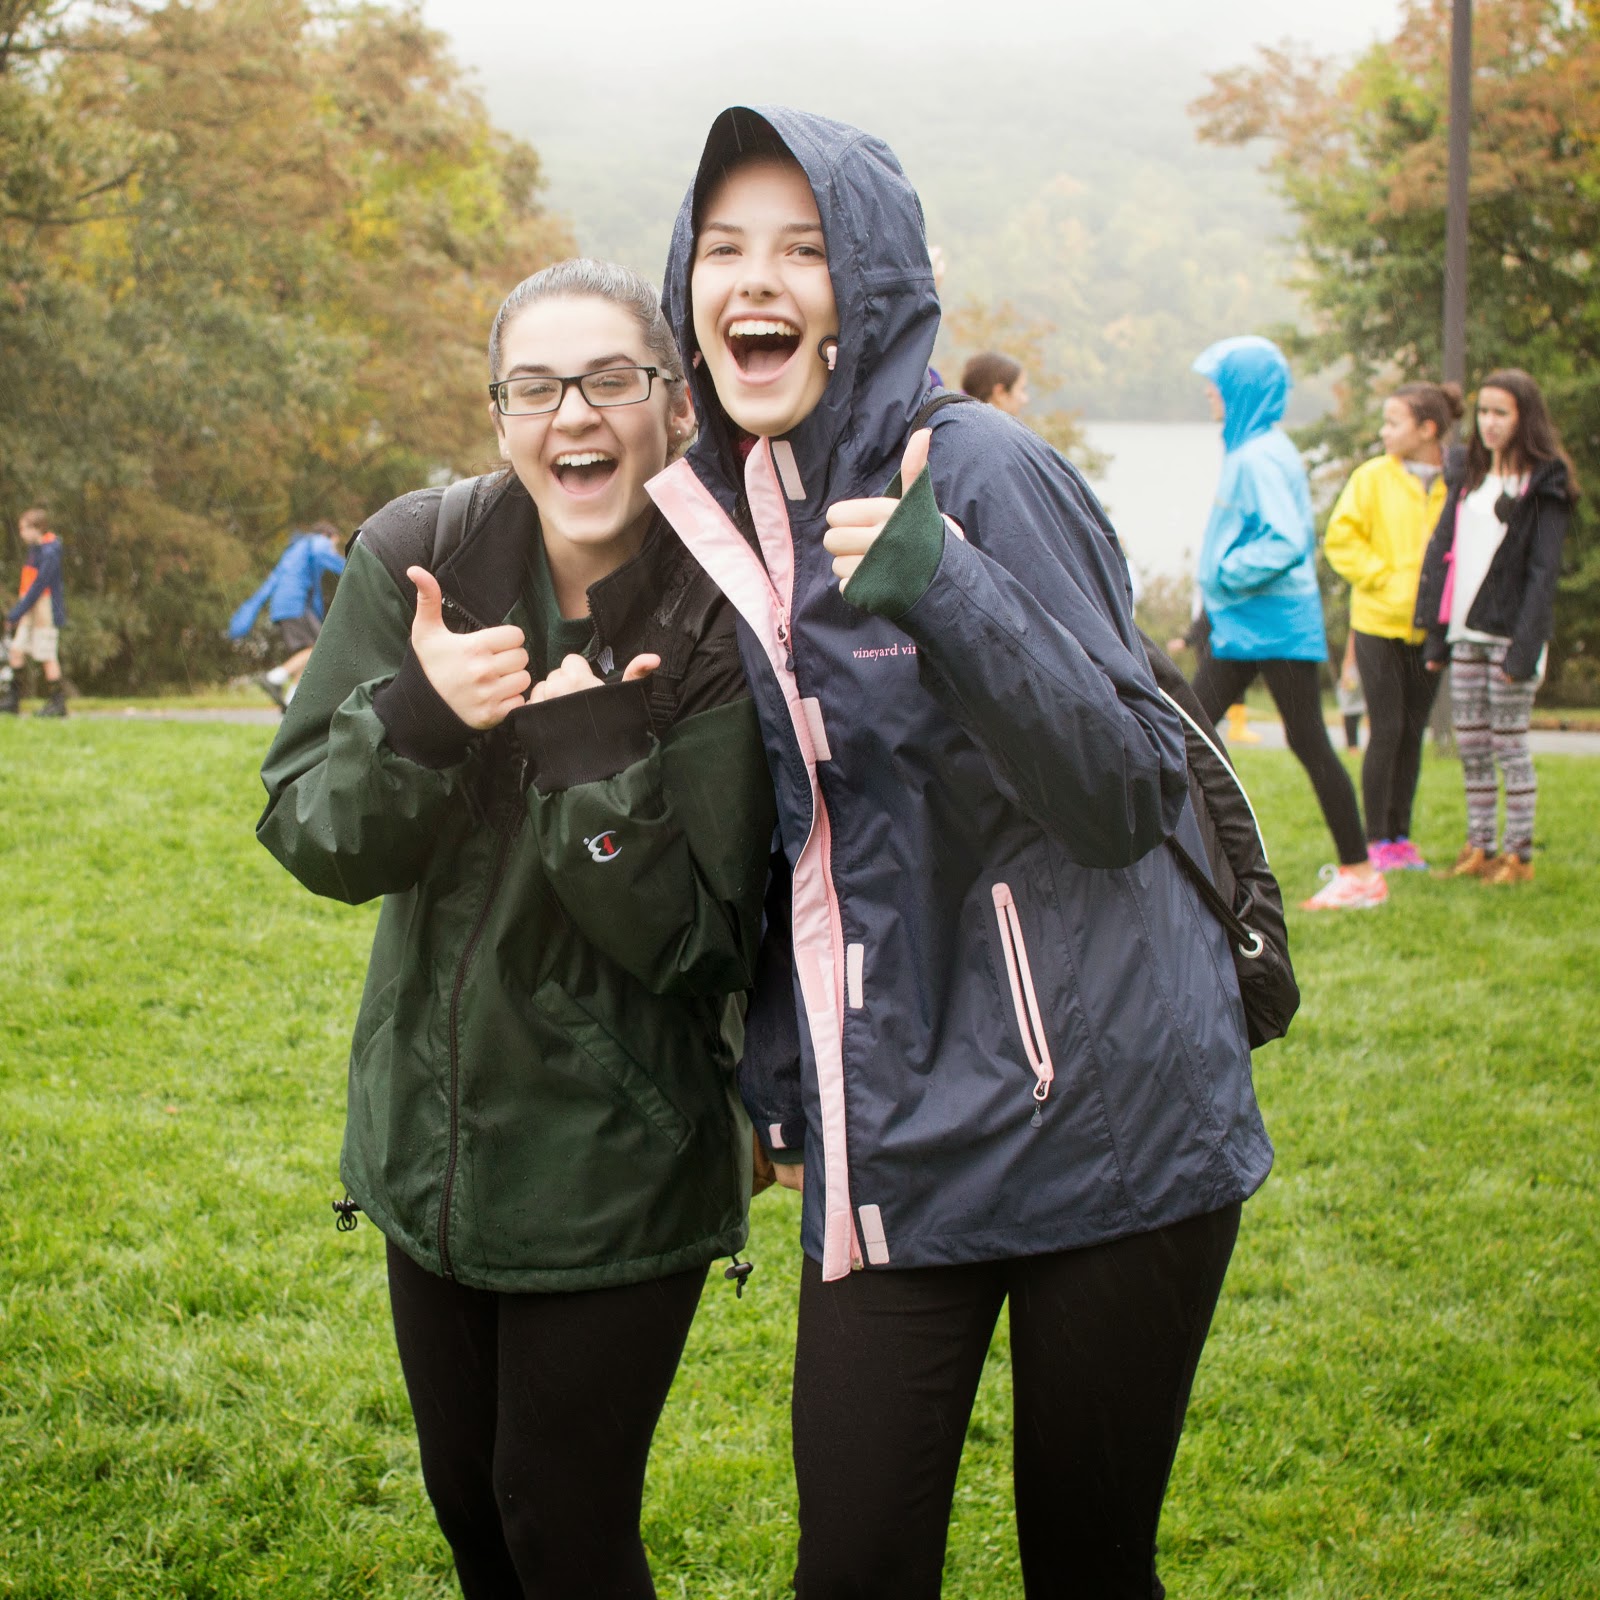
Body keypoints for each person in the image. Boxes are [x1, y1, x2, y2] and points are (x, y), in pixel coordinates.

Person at [647, 106, 1272, 1600]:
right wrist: (784, 1079)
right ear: (687, 288)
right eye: (723, 249)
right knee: (854, 1564)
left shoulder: (979, 465)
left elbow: (1124, 791)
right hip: (896, 1132)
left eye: (803, 249)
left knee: (1087, 1567)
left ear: (866, 287)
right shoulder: (733, 508)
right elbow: (808, 831)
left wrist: (944, 585)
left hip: (1110, 1116)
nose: (756, 280)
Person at [256, 258, 776, 1598]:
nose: (573, 415)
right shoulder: (418, 553)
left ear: (677, 402)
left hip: (617, 1154)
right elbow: (313, 833)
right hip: (426, 1138)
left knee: (559, 1523)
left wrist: (588, 759)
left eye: (610, 380)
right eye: (535, 388)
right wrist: (419, 718)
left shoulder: (719, 604)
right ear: (499, 416)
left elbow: (711, 941)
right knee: (471, 1513)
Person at [1190, 336, 1384, 911]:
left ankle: (1361, 875)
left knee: (1289, 739)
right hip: (1247, 622)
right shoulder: (1253, 450)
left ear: (1242, 390)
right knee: (1185, 729)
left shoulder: (1259, 457)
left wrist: (1222, 573)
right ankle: (1188, 862)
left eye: (1217, 384)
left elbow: (1286, 541)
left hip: (1271, 623)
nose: (1209, 394)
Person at [1412, 368, 1577, 884]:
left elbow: (1543, 573)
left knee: (1509, 745)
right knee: (1473, 746)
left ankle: (1518, 856)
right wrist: (1435, 634)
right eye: (1483, 411)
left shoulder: (1544, 484)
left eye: (1501, 412)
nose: (1489, 422)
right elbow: (1444, 552)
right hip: (1465, 634)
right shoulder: (1468, 476)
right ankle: (1479, 847)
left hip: (1511, 638)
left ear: (1524, 417)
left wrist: (1523, 650)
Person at [1324, 382, 1462, 870]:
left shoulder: (1457, 482)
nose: (1384, 432)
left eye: (1393, 422)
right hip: (1378, 623)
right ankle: (1376, 840)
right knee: (1387, 728)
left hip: (1432, 628)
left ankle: (1401, 837)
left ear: (1426, 429)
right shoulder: (1371, 478)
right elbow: (1340, 540)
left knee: (1413, 731)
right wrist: (1383, 578)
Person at [228, 521, 347, 707]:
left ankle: (292, 702)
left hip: (283, 607)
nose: (332, 549)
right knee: (319, 648)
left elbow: (270, 584)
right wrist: (353, 568)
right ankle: (274, 678)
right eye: (334, 544)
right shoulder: (317, 541)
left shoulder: (294, 551)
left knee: (307, 653)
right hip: (296, 605)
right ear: (327, 535)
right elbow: (323, 554)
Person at [2, 508, 68, 717]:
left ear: (36, 528)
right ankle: (13, 699)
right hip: (29, 607)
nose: (21, 533)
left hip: (44, 609)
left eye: (24, 528)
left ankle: (58, 703)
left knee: (46, 654)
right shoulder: (35, 550)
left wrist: (17, 612)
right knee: (16, 650)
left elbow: (39, 585)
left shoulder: (50, 552)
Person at [960, 349, 1030, 415]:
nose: (1026, 399)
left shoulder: (958, 414)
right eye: (1022, 389)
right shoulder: (989, 423)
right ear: (1000, 392)